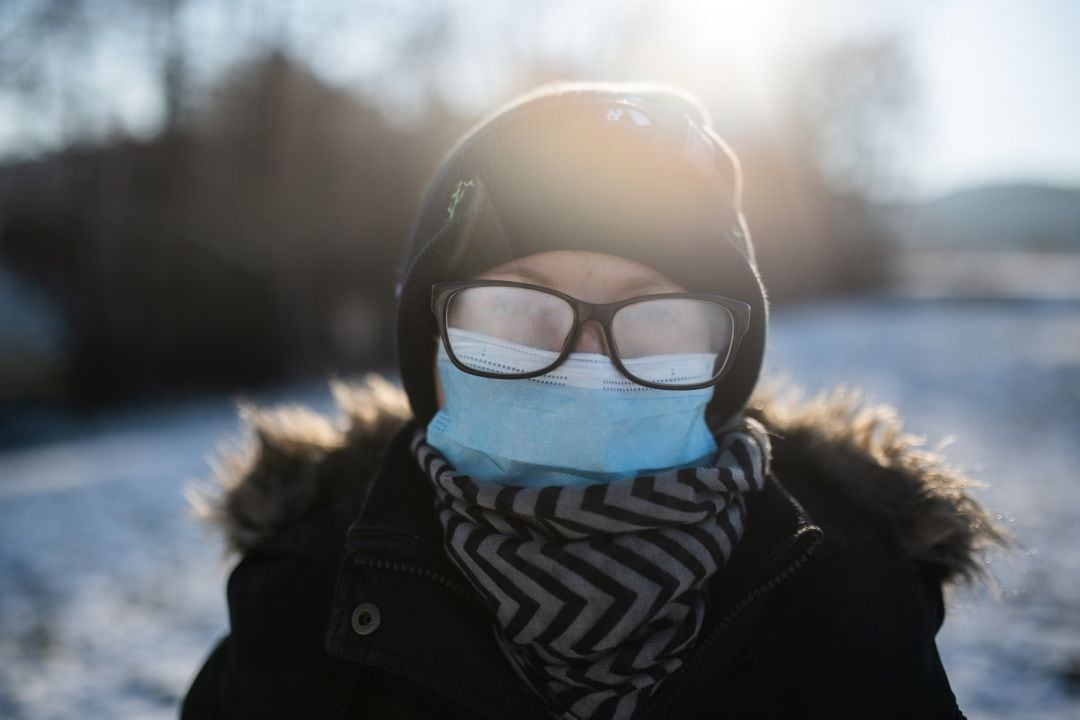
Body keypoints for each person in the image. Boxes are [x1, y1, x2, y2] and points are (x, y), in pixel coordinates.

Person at [181, 82, 1005, 719]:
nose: (584, 362)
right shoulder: (294, 616)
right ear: (428, 344)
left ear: (722, 363)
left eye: (653, 313)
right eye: (516, 308)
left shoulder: (856, 605)